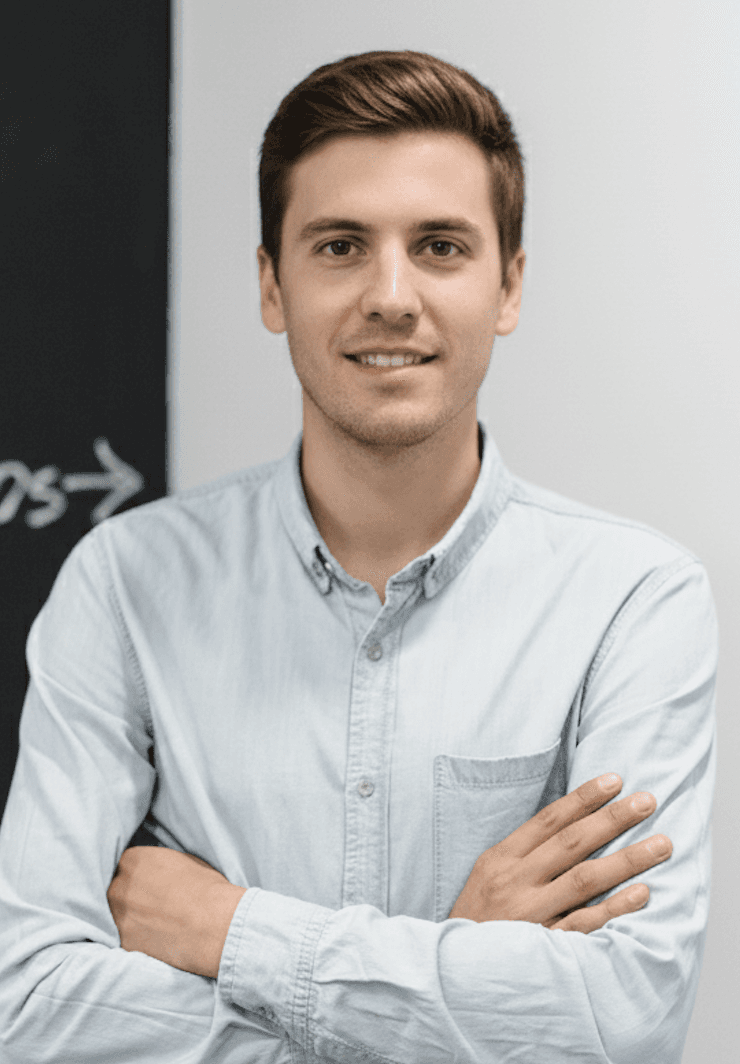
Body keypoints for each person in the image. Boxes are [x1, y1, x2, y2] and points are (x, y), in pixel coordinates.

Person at [0, 50, 716, 1064]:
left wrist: (229, 930)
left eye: (438, 246)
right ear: (270, 285)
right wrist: (447, 967)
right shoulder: (124, 584)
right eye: (339, 245)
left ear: (506, 285)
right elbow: (25, 1002)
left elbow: (624, 1019)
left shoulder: (629, 600)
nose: (390, 294)